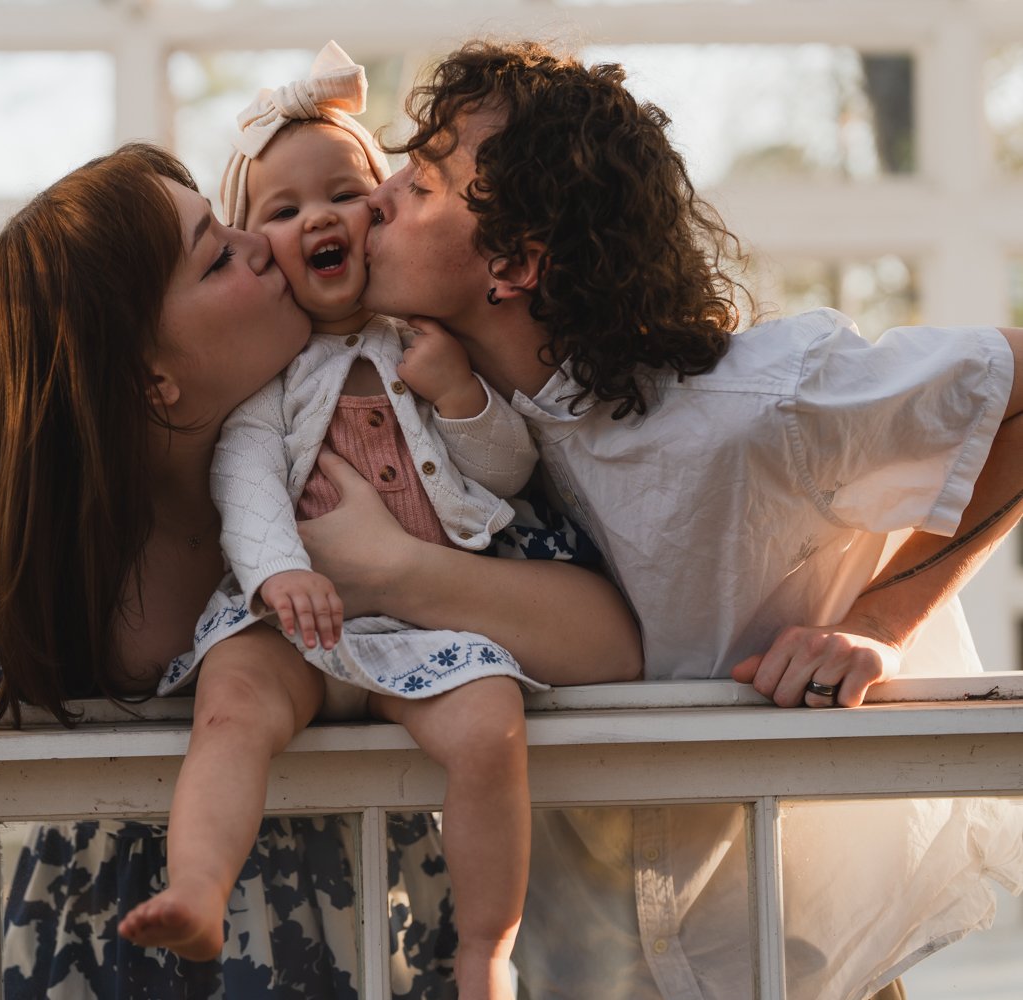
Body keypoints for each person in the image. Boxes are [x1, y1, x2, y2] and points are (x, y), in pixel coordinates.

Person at [0, 141, 638, 998]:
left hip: (370, 933)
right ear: (148, 378)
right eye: (217, 257)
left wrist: (391, 571)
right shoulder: (17, 544)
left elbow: (609, 641)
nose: (261, 244)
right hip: (114, 947)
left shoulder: (365, 447)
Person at [292, 37, 1023, 999]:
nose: (376, 197)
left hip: (792, 956)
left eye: (422, 185)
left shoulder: (756, 403)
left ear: (514, 261)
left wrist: (878, 624)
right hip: (584, 961)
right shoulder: (425, 409)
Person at [115, 43, 641, 1000]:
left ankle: (487, 948)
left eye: (345, 193)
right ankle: (196, 884)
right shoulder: (269, 377)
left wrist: (466, 403)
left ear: (381, 210)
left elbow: (503, 478)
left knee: (490, 730)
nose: (317, 217)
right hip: (297, 621)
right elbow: (247, 482)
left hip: (425, 629)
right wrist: (277, 575)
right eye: (281, 211)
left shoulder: (426, 339)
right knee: (229, 711)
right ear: (260, 245)